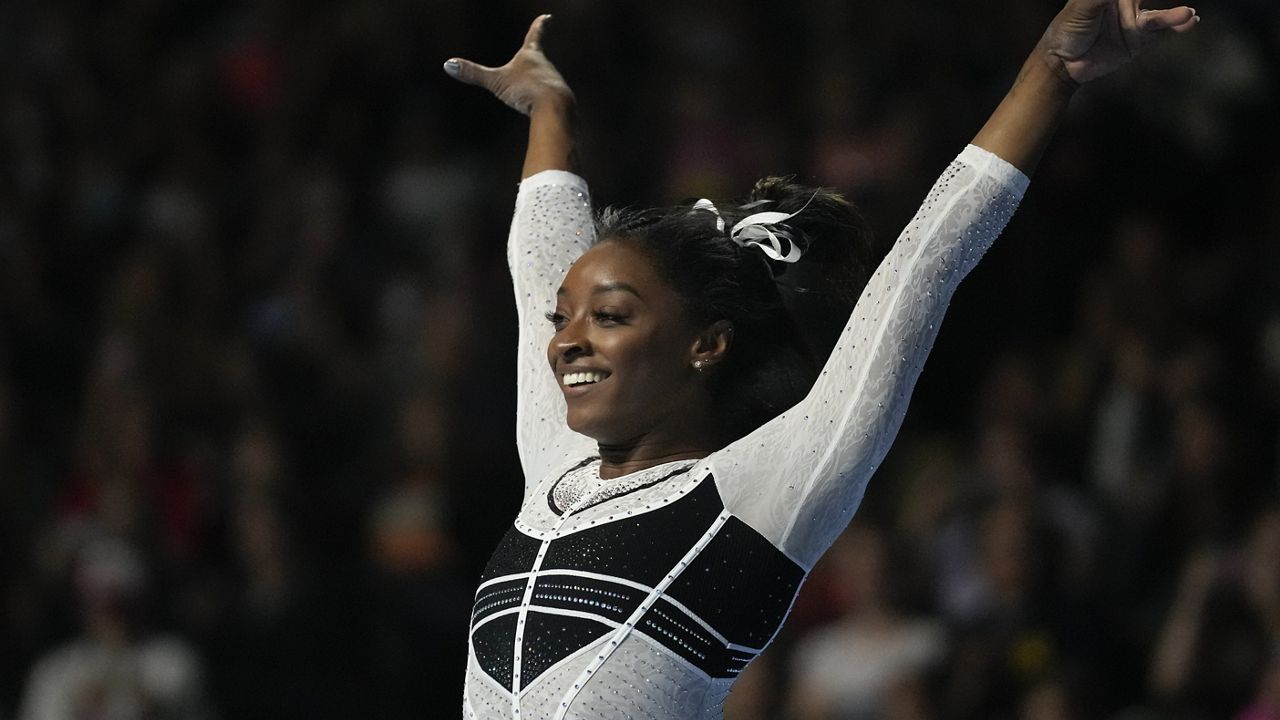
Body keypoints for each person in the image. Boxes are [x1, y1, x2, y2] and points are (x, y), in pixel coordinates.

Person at [443, 1, 1199, 717]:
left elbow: (922, 270)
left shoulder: (765, 491)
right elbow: (539, 261)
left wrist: (1050, 71)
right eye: (566, 319)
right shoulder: (557, 464)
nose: (567, 339)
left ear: (706, 345)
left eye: (609, 317)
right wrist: (551, 109)